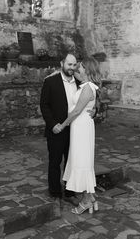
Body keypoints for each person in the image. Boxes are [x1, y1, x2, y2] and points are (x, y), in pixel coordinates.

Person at [54, 56, 102, 214]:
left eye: (79, 66)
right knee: (81, 160)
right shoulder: (85, 85)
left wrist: (63, 125)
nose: (76, 69)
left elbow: (76, 111)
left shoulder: (88, 87)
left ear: (87, 70)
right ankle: (91, 196)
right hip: (79, 127)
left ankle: (87, 200)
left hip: (81, 127)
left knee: (82, 161)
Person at [40, 53, 80, 205]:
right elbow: (44, 105)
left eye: (74, 65)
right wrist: (52, 124)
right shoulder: (50, 82)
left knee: (71, 161)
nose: (72, 67)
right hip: (57, 129)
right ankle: (55, 192)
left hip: (74, 129)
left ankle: (69, 191)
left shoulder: (79, 82)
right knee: (55, 162)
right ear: (62, 63)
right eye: (69, 64)